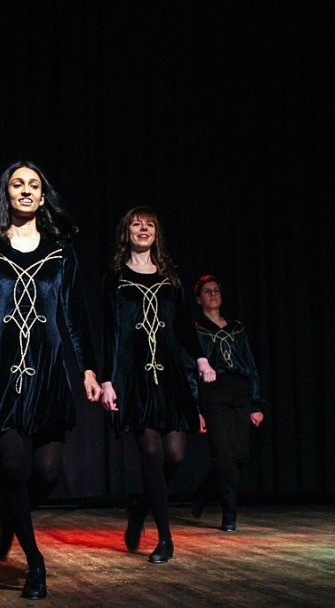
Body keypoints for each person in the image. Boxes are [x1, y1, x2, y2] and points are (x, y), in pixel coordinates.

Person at [0, 161, 102, 600]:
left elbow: (75, 316)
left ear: (43, 196)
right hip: (0, 372)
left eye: (34, 185)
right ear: (7, 194)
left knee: (46, 472)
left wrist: (88, 369)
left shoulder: (61, 251)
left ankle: (11, 521)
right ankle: (35, 563)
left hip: (47, 370)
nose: (26, 190)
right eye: (18, 184)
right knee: (13, 468)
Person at [99, 207, 215, 563]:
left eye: (149, 225)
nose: (143, 229)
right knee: (151, 453)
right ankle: (165, 538)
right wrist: (107, 379)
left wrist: (201, 359)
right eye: (136, 224)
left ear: (156, 234)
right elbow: (109, 332)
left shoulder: (170, 279)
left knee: (175, 455)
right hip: (134, 376)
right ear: (127, 232)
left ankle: (140, 505)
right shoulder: (115, 278)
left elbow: (184, 325)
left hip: (170, 375)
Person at [188, 274, 265, 531]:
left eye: (216, 290)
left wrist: (255, 404)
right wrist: (196, 409)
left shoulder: (237, 328)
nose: (213, 294)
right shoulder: (196, 330)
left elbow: (250, 365)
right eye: (207, 291)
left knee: (240, 454)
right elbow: (190, 371)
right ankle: (229, 515)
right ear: (198, 299)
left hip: (239, 390)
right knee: (223, 454)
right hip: (214, 391)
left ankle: (204, 489)